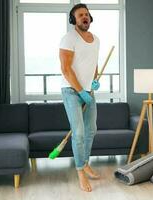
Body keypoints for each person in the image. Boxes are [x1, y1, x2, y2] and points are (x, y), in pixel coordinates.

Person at [59, 3, 101, 192]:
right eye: (80, 15)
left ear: (90, 18)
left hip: (88, 92)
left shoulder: (96, 39)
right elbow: (66, 69)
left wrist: (94, 81)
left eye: (86, 14)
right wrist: (81, 92)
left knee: (91, 130)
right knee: (79, 133)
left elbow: (94, 63)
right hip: (71, 92)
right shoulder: (69, 39)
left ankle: (84, 163)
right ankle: (80, 172)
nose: (84, 17)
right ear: (73, 20)